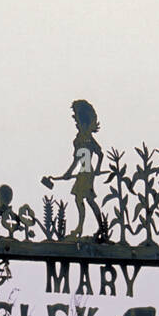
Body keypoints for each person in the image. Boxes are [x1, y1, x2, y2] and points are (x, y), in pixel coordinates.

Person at [55, 99, 104, 238]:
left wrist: (98, 169)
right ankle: (94, 227)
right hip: (84, 172)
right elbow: (78, 160)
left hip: (87, 173)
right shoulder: (79, 139)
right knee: (85, 200)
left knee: (82, 200)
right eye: (77, 122)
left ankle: (85, 228)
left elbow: (99, 154)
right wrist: (68, 173)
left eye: (80, 122)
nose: (78, 125)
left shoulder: (87, 139)